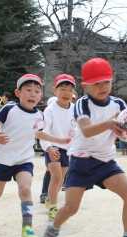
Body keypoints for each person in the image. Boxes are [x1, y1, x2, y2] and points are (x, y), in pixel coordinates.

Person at [38, 58, 127, 237]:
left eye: (106, 82)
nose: (102, 87)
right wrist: (109, 124)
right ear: (84, 86)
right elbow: (87, 130)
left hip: (106, 161)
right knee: (71, 207)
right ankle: (52, 229)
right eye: (96, 83)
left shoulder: (118, 103)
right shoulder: (82, 103)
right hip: (82, 160)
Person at [0, 74, 70, 237]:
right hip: (3, 159)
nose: (33, 94)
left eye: (37, 91)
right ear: (18, 92)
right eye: (28, 90)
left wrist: (59, 140)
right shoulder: (9, 109)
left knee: (25, 190)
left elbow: (40, 133)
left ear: (41, 95)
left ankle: (27, 228)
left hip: (24, 160)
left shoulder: (39, 115)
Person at [40, 74, 76, 220]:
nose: (66, 93)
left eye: (70, 90)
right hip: (53, 147)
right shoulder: (49, 110)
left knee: (61, 179)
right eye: (62, 89)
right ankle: (53, 207)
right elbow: (43, 131)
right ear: (54, 90)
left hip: (67, 150)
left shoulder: (76, 109)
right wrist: (48, 148)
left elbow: (78, 130)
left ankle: (49, 199)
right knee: (56, 177)